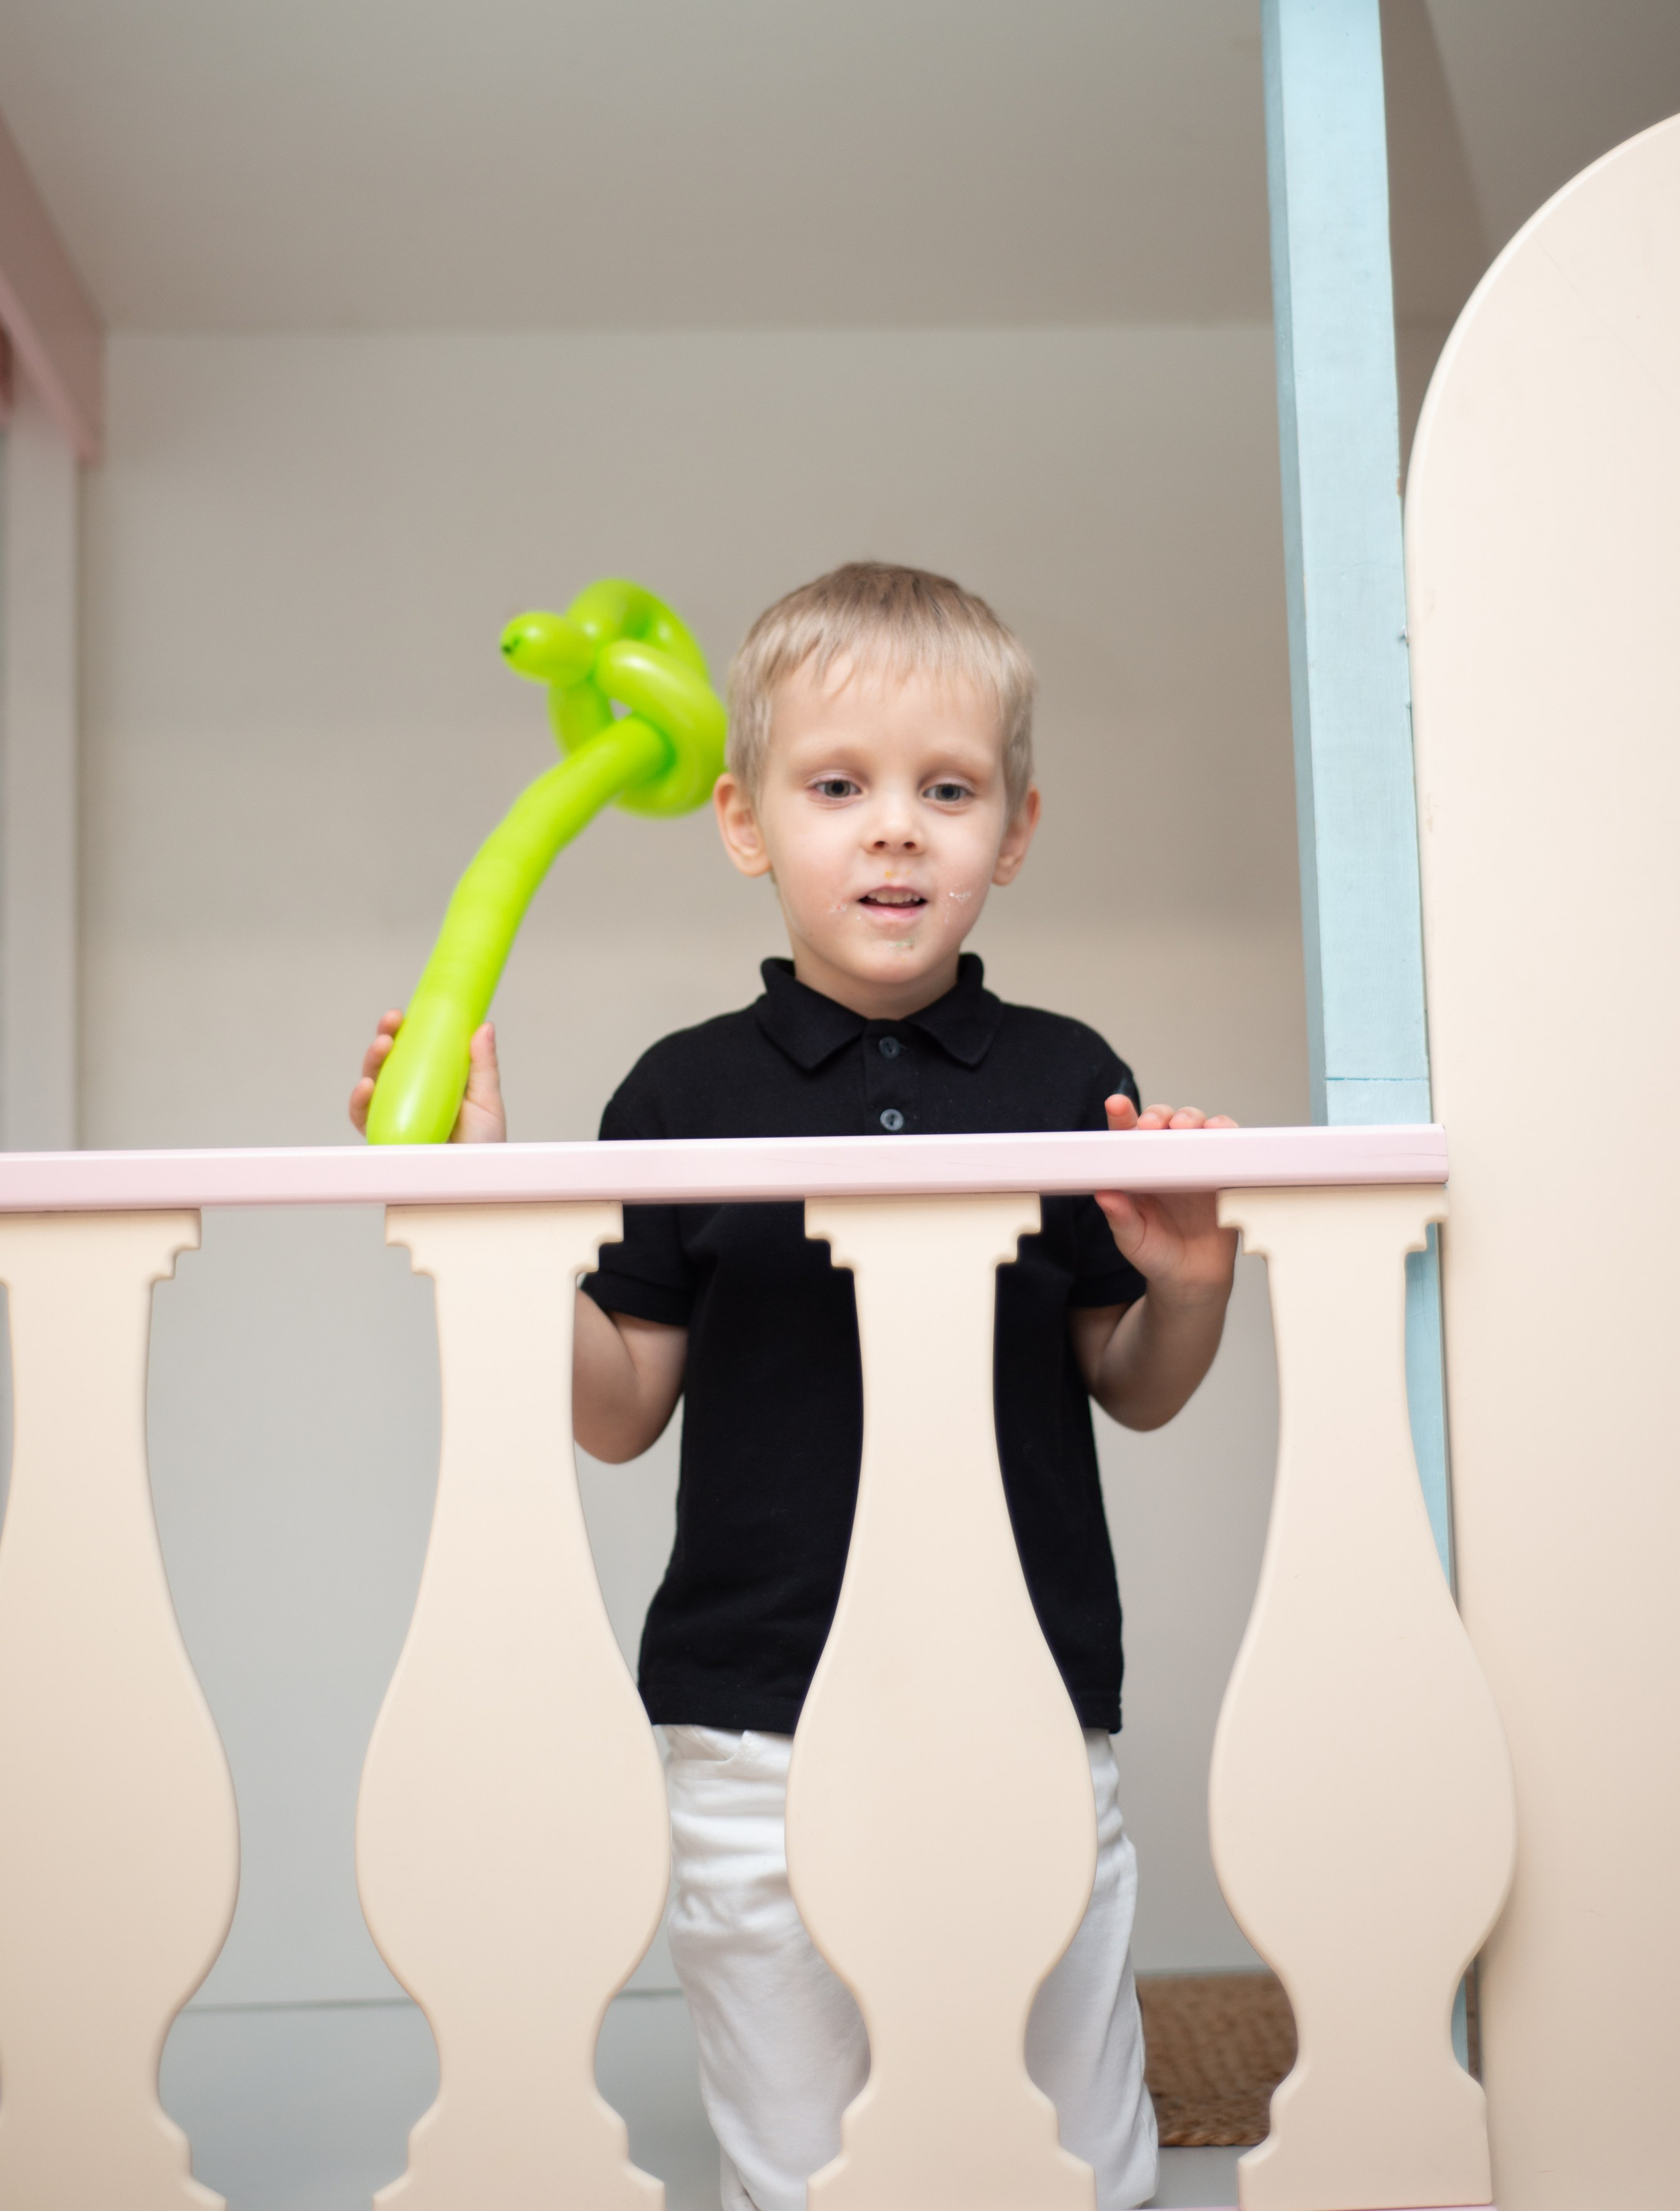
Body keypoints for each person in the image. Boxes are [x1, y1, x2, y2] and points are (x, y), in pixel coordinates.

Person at [351, 562, 1238, 2211]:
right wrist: (489, 1212)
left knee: (1070, 2146)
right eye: (837, 787)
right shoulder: (679, 1095)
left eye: (945, 790)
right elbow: (615, 1405)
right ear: (746, 823)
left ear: (1015, 831)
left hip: (1031, 1688)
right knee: (803, 2153)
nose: (892, 830)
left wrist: (1186, 1286)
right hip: (753, 1707)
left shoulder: (1067, 1075)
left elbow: (1131, 1383)